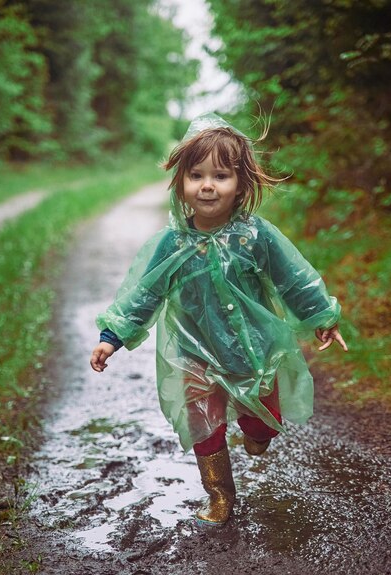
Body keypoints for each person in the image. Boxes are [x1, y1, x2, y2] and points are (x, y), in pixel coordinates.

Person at [90, 113, 348, 527]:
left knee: (263, 426)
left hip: (253, 352)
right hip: (193, 356)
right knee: (203, 426)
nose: (207, 185)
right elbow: (143, 294)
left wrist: (321, 315)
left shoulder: (255, 236)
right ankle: (220, 496)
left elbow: (293, 278)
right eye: (196, 175)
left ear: (241, 185)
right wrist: (112, 336)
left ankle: (257, 433)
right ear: (181, 183)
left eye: (221, 176)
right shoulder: (172, 244)